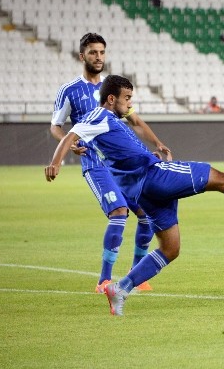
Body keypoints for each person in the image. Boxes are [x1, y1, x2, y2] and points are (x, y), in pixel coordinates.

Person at [45, 75, 224, 316]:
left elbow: (119, 150)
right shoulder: (97, 116)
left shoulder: (110, 121)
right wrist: (56, 162)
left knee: (170, 249)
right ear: (111, 98)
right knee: (223, 179)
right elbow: (70, 134)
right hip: (154, 177)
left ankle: (120, 288)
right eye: (127, 99)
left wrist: (146, 151)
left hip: (143, 190)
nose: (130, 105)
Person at [50, 33, 172, 294]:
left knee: (146, 213)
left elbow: (135, 121)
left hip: (122, 165)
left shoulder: (112, 88)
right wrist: (69, 145)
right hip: (95, 163)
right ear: (82, 56)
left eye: (102, 52)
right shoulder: (69, 90)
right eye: (93, 52)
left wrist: (157, 144)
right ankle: (104, 280)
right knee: (119, 212)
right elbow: (56, 127)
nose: (99, 57)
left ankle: (136, 275)